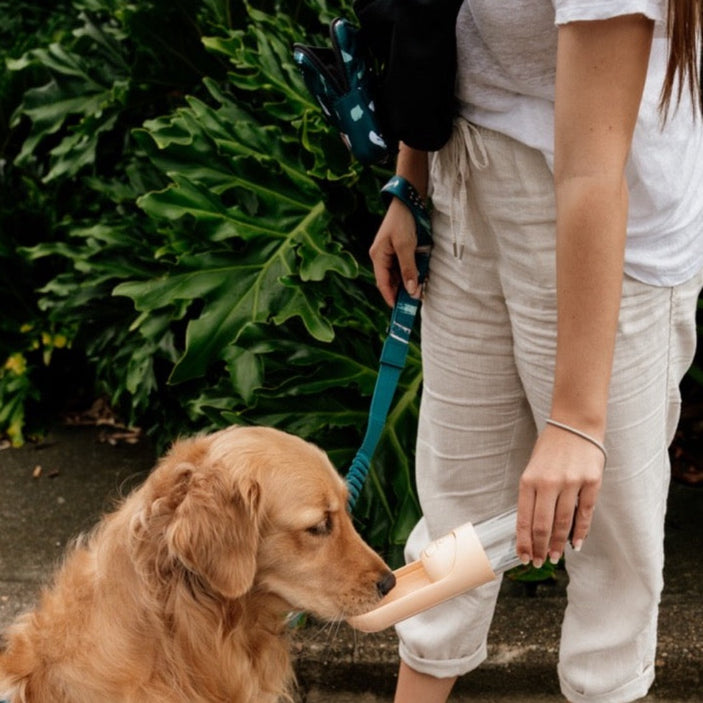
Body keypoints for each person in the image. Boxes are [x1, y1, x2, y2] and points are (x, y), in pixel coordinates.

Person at [368, 2, 703, 702]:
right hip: (467, 182)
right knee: (452, 520)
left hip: (597, 230)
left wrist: (576, 420)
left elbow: (589, 173)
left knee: (609, 555)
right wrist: (413, 174)